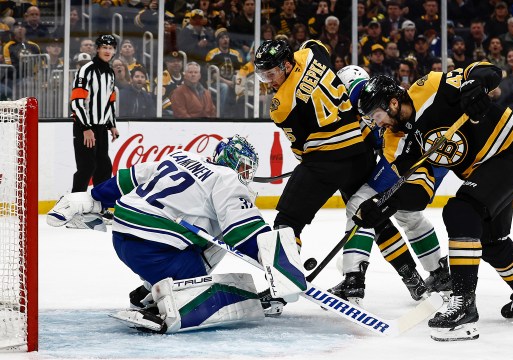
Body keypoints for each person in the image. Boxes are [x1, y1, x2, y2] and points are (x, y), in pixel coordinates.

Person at [352, 62, 513, 341]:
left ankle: (463, 305)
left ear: (393, 102)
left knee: (460, 211)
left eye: (376, 116)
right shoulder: (394, 142)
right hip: (484, 172)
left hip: (509, 151)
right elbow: (420, 193)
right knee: (490, 241)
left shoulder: (430, 87)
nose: (377, 124)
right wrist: (384, 205)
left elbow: (488, 71)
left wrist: (475, 87)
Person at [46, 135, 296, 333]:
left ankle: (147, 292)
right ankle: (174, 295)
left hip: (122, 236)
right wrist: (276, 262)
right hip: (157, 250)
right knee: (217, 241)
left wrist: (94, 198)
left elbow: (130, 178)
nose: (244, 174)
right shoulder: (227, 178)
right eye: (242, 166)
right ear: (229, 161)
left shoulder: (181, 156)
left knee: (199, 228)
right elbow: (243, 230)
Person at [253, 39, 373, 315]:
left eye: (271, 74)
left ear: (285, 65)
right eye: (263, 75)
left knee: (287, 221)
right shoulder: (310, 53)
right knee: (365, 213)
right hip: (361, 152)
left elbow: (300, 150)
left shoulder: (281, 104)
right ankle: (356, 280)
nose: (268, 81)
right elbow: (319, 47)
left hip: (325, 160)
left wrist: (308, 170)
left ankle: (282, 287)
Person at [327, 65, 452, 305]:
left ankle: (353, 280)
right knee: (408, 213)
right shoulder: (378, 93)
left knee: (359, 204)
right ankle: (439, 273)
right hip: (431, 162)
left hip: (405, 160)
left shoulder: (355, 97)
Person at [69, 34, 120, 228]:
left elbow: (110, 102)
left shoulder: (110, 73)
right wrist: (86, 128)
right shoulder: (86, 70)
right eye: (104, 46)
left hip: (100, 127)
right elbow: (77, 101)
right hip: (85, 126)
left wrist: (111, 125)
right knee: (86, 167)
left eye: (111, 47)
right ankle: (72, 209)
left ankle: (102, 207)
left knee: (104, 167)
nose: (108, 50)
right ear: (97, 49)